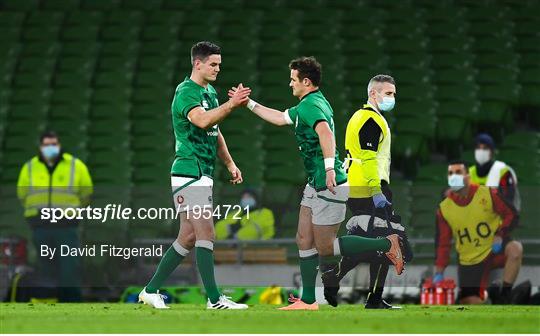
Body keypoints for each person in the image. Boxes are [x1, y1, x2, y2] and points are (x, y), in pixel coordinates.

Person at [230, 57, 404, 310]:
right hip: (315, 182)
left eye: (293, 80)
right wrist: (249, 103)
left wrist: (330, 168)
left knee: (326, 248)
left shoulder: (311, 107)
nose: (290, 84)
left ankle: (386, 243)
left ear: (306, 82)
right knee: (303, 238)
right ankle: (308, 300)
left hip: (328, 183)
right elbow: (280, 118)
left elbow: (326, 133)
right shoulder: (310, 103)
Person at [138, 41, 252, 310]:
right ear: (197, 63)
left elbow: (214, 130)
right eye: (213, 64)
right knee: (206, 233)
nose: (217, 69)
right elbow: (202, 120)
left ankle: (150, 291)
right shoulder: (186, 92)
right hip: (190, 171)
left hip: (203, 171)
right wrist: (231, 104)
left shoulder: (209, 91)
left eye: (219, 65)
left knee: (188, 237)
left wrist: (230, 163)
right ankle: (214, 299)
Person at [322, 74, 412, 309]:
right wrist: (375, 190)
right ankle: (372, 297)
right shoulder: (372, 120)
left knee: (373, 242)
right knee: (388, 242)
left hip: (357, 185)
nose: (392, 98)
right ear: (373, 93)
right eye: (388, 93)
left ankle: (336, 277)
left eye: (394, 94)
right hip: (370, 187)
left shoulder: (359, 117)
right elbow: (369, 157)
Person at [16, 130, 93, 302]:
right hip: (40, 227)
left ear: (59, 145)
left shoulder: (76, 166)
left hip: (66, 227)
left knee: (69, 269)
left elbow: (86, 193)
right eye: (47, 144)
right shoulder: (29, 168)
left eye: (54, 144)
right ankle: (47, 302)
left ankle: (72, 304)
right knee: (45, 268)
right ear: (40, 146)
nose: (50, 147)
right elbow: (22, 194)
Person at [434, 160, 522, 304]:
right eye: (450, 173)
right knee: (469, 302)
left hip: (494, 250)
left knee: (515, 249)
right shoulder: (443, 210)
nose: (453, 176)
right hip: (470, 259)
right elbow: (443, 243)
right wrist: (439, 273)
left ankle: (505, 296)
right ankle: (491, 296)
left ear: (468, 176)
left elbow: (511, 214)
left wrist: (500, 235)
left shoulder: (487, 193)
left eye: (458, 172)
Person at [470, 133, 520, 211]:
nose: (481, 151)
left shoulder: (503, 171)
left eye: (485, 148)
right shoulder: (469, 172)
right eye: (478, 148)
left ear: (492, 152)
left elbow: (508, 203)